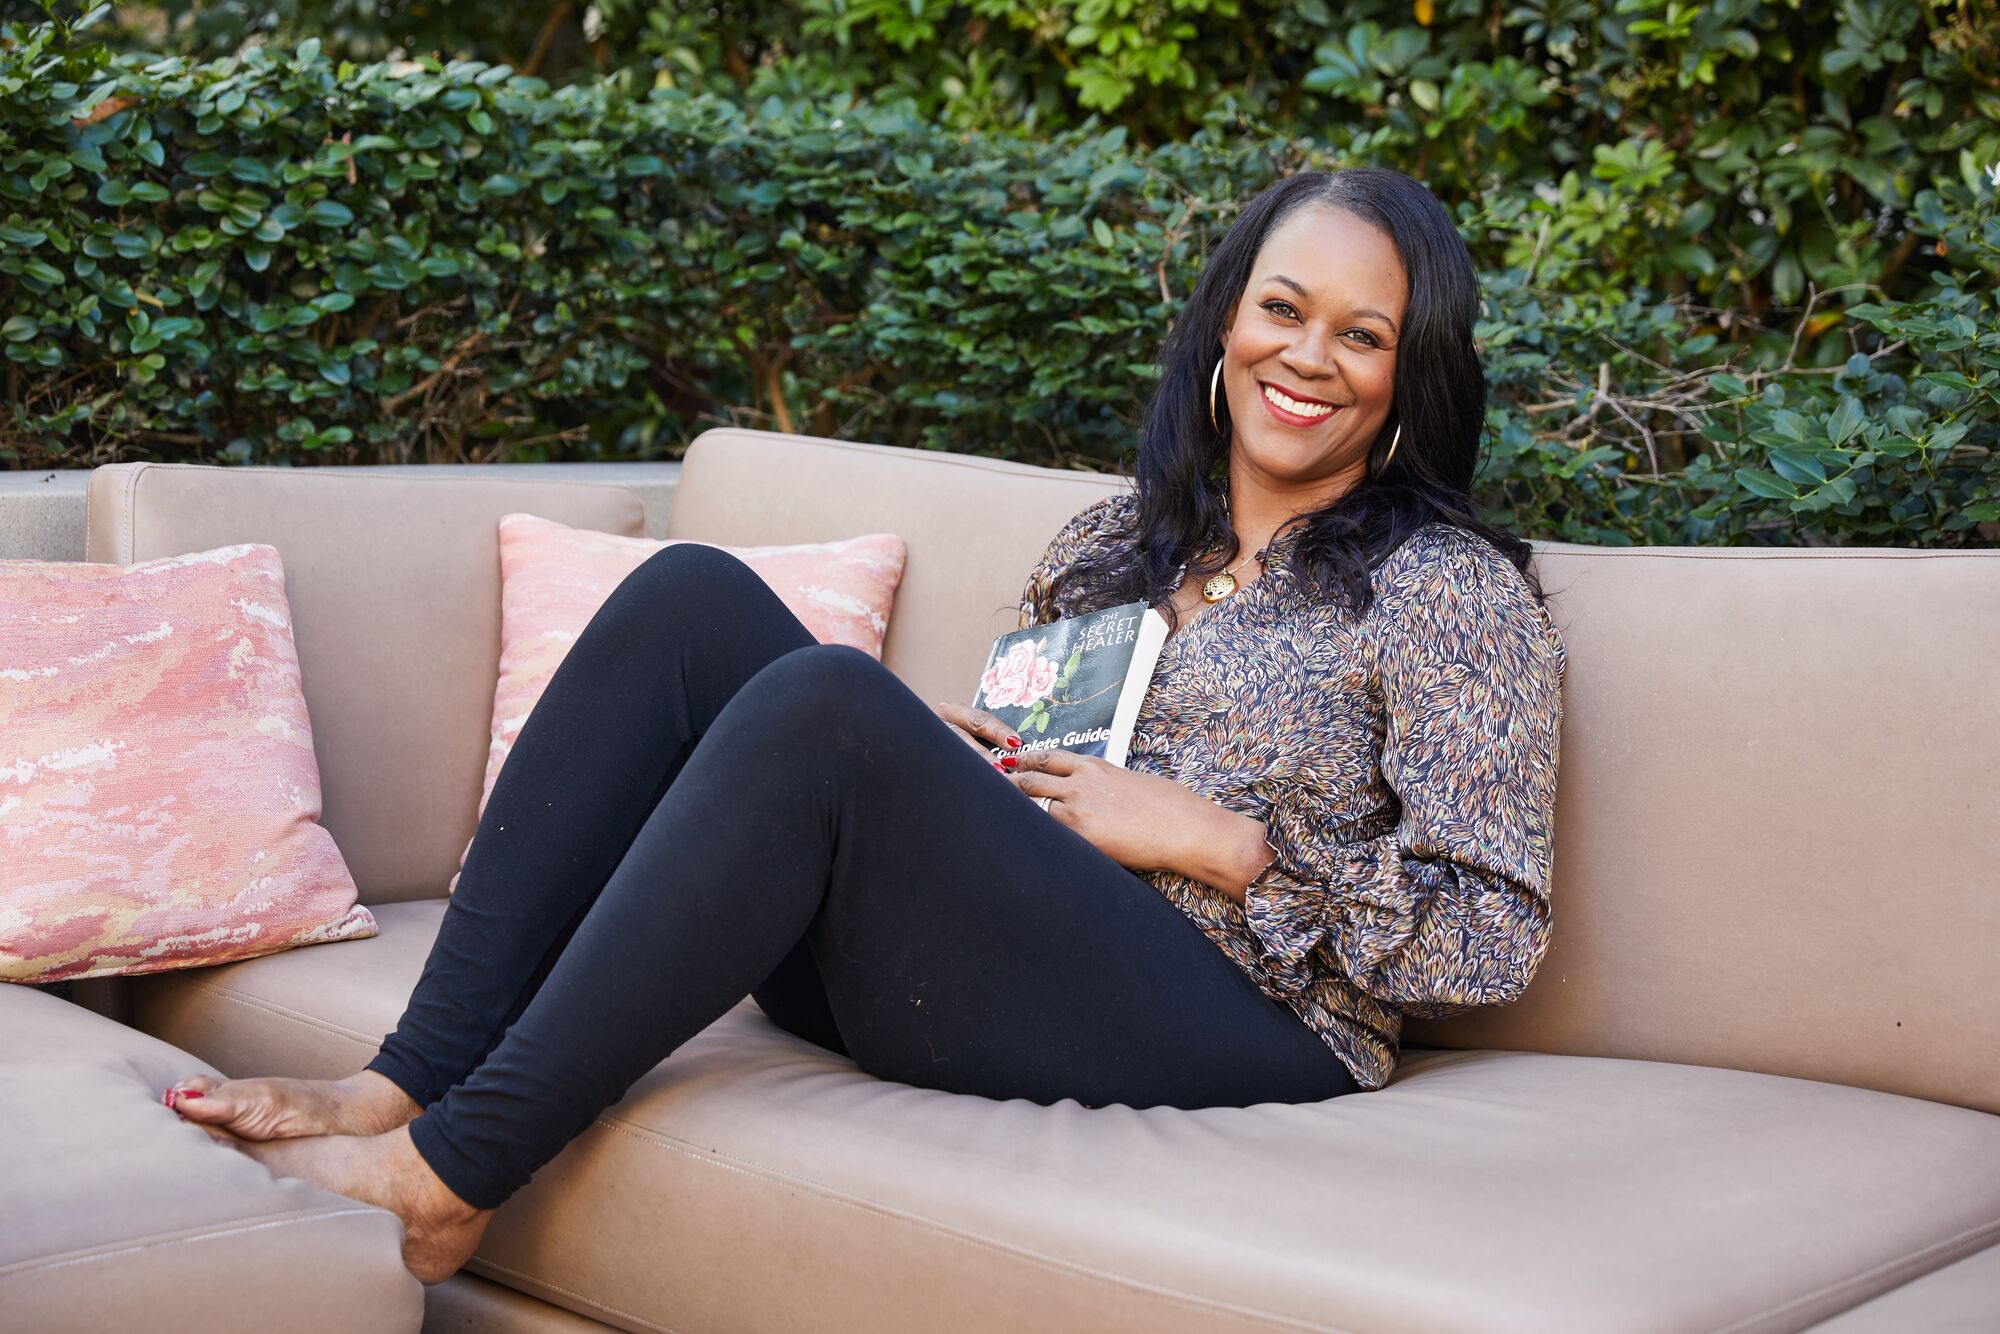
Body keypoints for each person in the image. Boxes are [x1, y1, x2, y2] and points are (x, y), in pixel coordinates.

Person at [164, 166, 1568, 1284]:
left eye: (1362, 334)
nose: (1307, 355)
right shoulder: (1108, 545)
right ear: (1222, 323)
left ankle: (451, 1174)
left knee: (830, 704)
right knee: (691, 597)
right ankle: (399, 1085)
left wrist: (1226, 845)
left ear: (1410, 374)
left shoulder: (1447, 587)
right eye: (1283, 307)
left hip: (1252, 1019)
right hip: (996, 973)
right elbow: (1030, 784)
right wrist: (970, 769)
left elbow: (1494, 933)